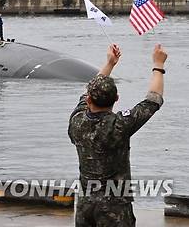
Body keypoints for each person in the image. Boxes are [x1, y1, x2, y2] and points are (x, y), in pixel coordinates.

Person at [69, 44, 167, 227]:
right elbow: (153, 100)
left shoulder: (76, 121)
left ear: (89, 100)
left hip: (85, 205)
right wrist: (158, 65)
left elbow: (88, 91)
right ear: (116, 99)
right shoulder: (119, 125)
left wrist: (109, 64)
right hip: (115, 207)